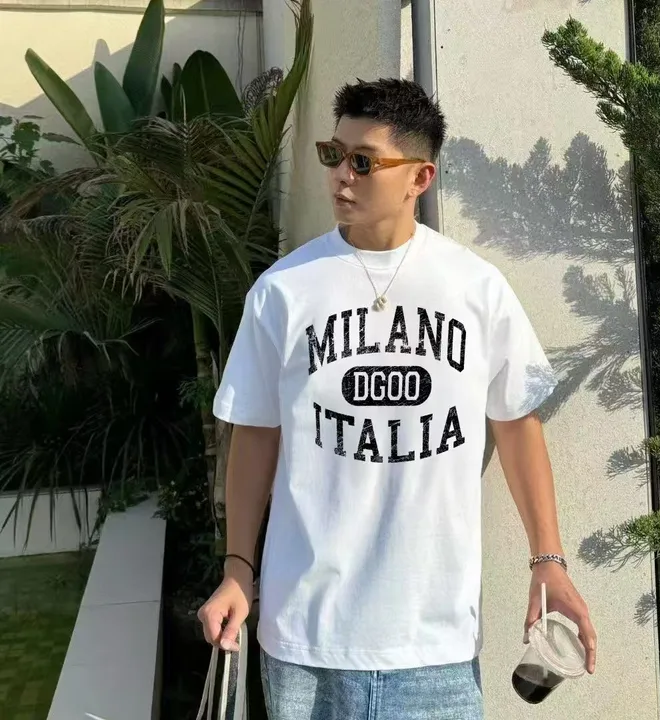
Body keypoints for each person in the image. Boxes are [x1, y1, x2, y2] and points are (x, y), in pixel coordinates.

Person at [198, 77, 597, 719]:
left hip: (435, 642)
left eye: (364, 161)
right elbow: (256, 433)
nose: (341, 175)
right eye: (334, 154)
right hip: (306, 638)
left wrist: (548, 561)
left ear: (420, 177)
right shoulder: (283, 292)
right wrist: (238, 567)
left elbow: (517, 425)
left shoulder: (476, 289)